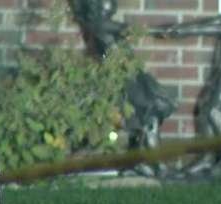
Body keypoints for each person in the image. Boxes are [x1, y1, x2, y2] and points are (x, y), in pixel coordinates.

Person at [152, 0, 221, 174]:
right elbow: (214, 22)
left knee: (215, 111)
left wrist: (184, 31)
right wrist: (178, 28)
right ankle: (207, 158)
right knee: (206, 109)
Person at [70, 0, 175, 175]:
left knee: (145, 119)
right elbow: (130, 29)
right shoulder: (102, 24)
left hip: (129, 75)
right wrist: (160, 31)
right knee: (149, 117)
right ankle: (156, 164)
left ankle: (140, 162)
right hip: (127, 79)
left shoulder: (96, 25)